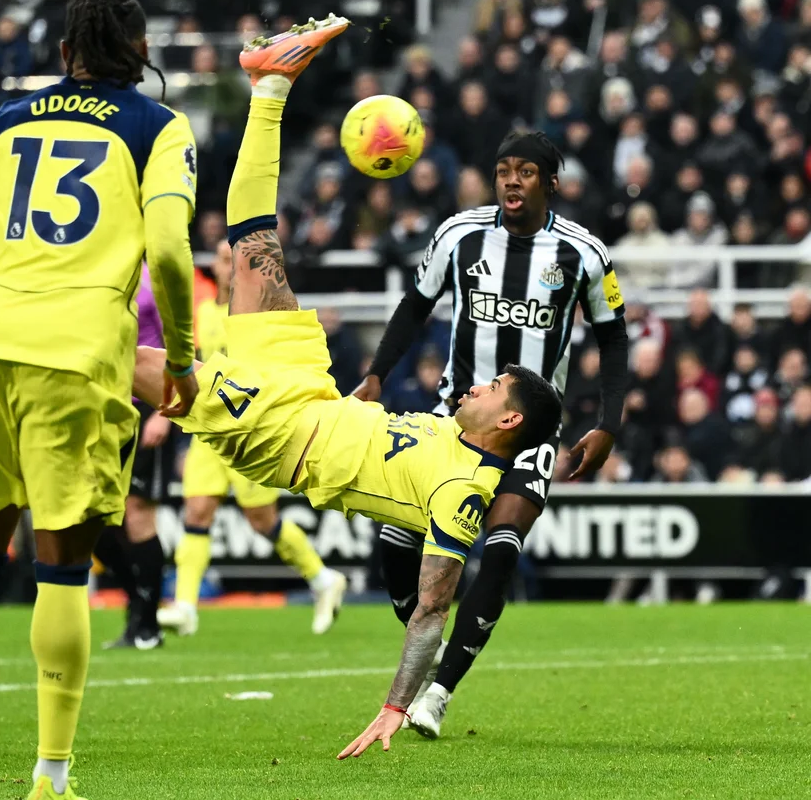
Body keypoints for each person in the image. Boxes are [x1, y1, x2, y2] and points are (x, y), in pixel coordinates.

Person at [121, 15, 561, 760]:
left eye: (492, 387)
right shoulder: (447, 431)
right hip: (313, 391)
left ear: (510, 421)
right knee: (253, 244)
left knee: (139, 363)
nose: (476, 386)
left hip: (279, 435)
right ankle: (270, 86)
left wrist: (397, 704)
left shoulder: (463, 493)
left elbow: (431, 610)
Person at [0, 1, 200, 797]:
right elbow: (170, 251)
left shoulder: (6, 120)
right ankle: (51, 777)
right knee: (61, 567)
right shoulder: (158, 127)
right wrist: (182, 358)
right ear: (141, 47)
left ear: (65, 51)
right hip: (75, 359)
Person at [353, 128, 630, 739]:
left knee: (502, 547)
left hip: (533, 432)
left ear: (550, 183)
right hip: (455, 421)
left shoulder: (583, 252)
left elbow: (613, 337)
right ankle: (427, 647)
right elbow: (415, 305)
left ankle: (439, 693)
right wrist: (376, 374)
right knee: (396, 540)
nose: (511, 180)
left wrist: (608, 423)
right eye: (504, 170)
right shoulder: (459, 234)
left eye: (525, 171)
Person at [159, 238, 347, 638]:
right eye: (222, 260)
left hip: (247, 430)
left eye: (233, 260)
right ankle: (185, 606)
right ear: (215, 268)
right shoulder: (202, 313)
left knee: (263, 521)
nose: (227, 266)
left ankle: (322, 578)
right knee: (196, 512)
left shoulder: (255, 315)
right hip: (209, 429)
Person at [95, 262, 172, 651]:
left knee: (138, 513)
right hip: (100, 409)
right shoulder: (89, 269)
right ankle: (136, 606)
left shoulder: (153, 277)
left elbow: (180, 346)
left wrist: (165, 410)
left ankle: (148, 624)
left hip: (146, 407)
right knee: (94, 519)